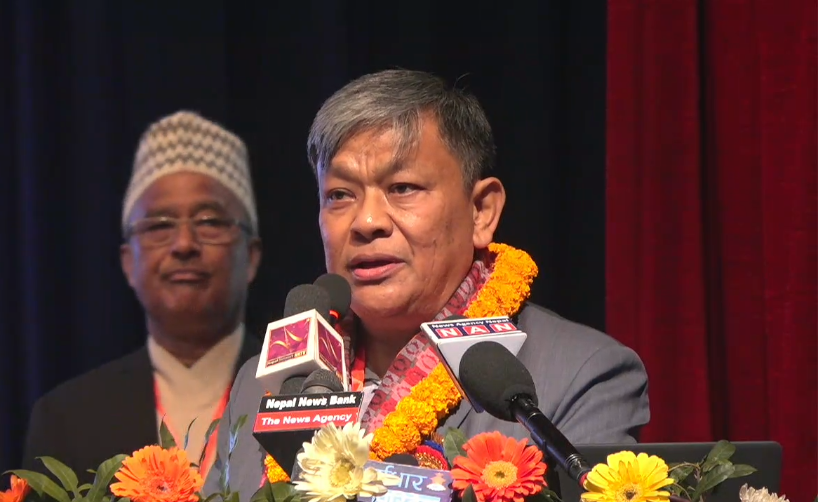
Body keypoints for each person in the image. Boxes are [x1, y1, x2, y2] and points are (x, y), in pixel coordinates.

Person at [206, 69, 650, 498]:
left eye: (402, 188)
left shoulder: (579, 375)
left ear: (481, 211)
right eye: (340, 195)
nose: (367, 221)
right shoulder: (260, 384)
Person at [22, 111, 263, 480]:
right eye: (159, 225)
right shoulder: (66, 418)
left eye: (210, 222)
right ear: (127, 262)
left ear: (251, 256)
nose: (184, 244)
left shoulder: (297, 395)